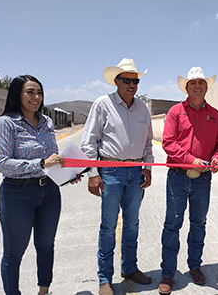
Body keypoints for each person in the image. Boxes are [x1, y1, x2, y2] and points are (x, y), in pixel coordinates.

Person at [0, 75, 70, 295]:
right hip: (18, 193)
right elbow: (2, 163)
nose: (36, 97)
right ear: (17, 94)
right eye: (30, 92)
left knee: (46, 246)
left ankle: (44, 291)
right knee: (14, 253)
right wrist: (41, 163)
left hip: (50, 192)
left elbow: (51, 157)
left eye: (40, 93)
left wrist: (67, 172)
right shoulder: (4, 124)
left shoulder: (47, 121)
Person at [80, 58, 154, 295]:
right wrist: (93, 173)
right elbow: (89, 141)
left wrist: (148, 168)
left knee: (132, 224)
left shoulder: (142, 108)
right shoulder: (103, 104)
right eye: (127, 80)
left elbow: (149, 144)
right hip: (110, 172)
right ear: (116, 81)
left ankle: (130, 268)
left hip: (135, 173)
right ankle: (105, 279)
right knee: (109, 227)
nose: (132, 85)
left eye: (135, 81)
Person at [158, 67, 218, 294]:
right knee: (173, 224)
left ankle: (195, 266)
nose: (197, 86)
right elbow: (168, 143)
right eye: (193, 83)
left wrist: (217, 158)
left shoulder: (216, 115)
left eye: (201, 83)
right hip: (178, 177)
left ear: (207, 87)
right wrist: (190, 160)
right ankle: (168, 272)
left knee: (199, 223)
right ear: (186, 88)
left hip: (203, 179)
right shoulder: (175, 112)